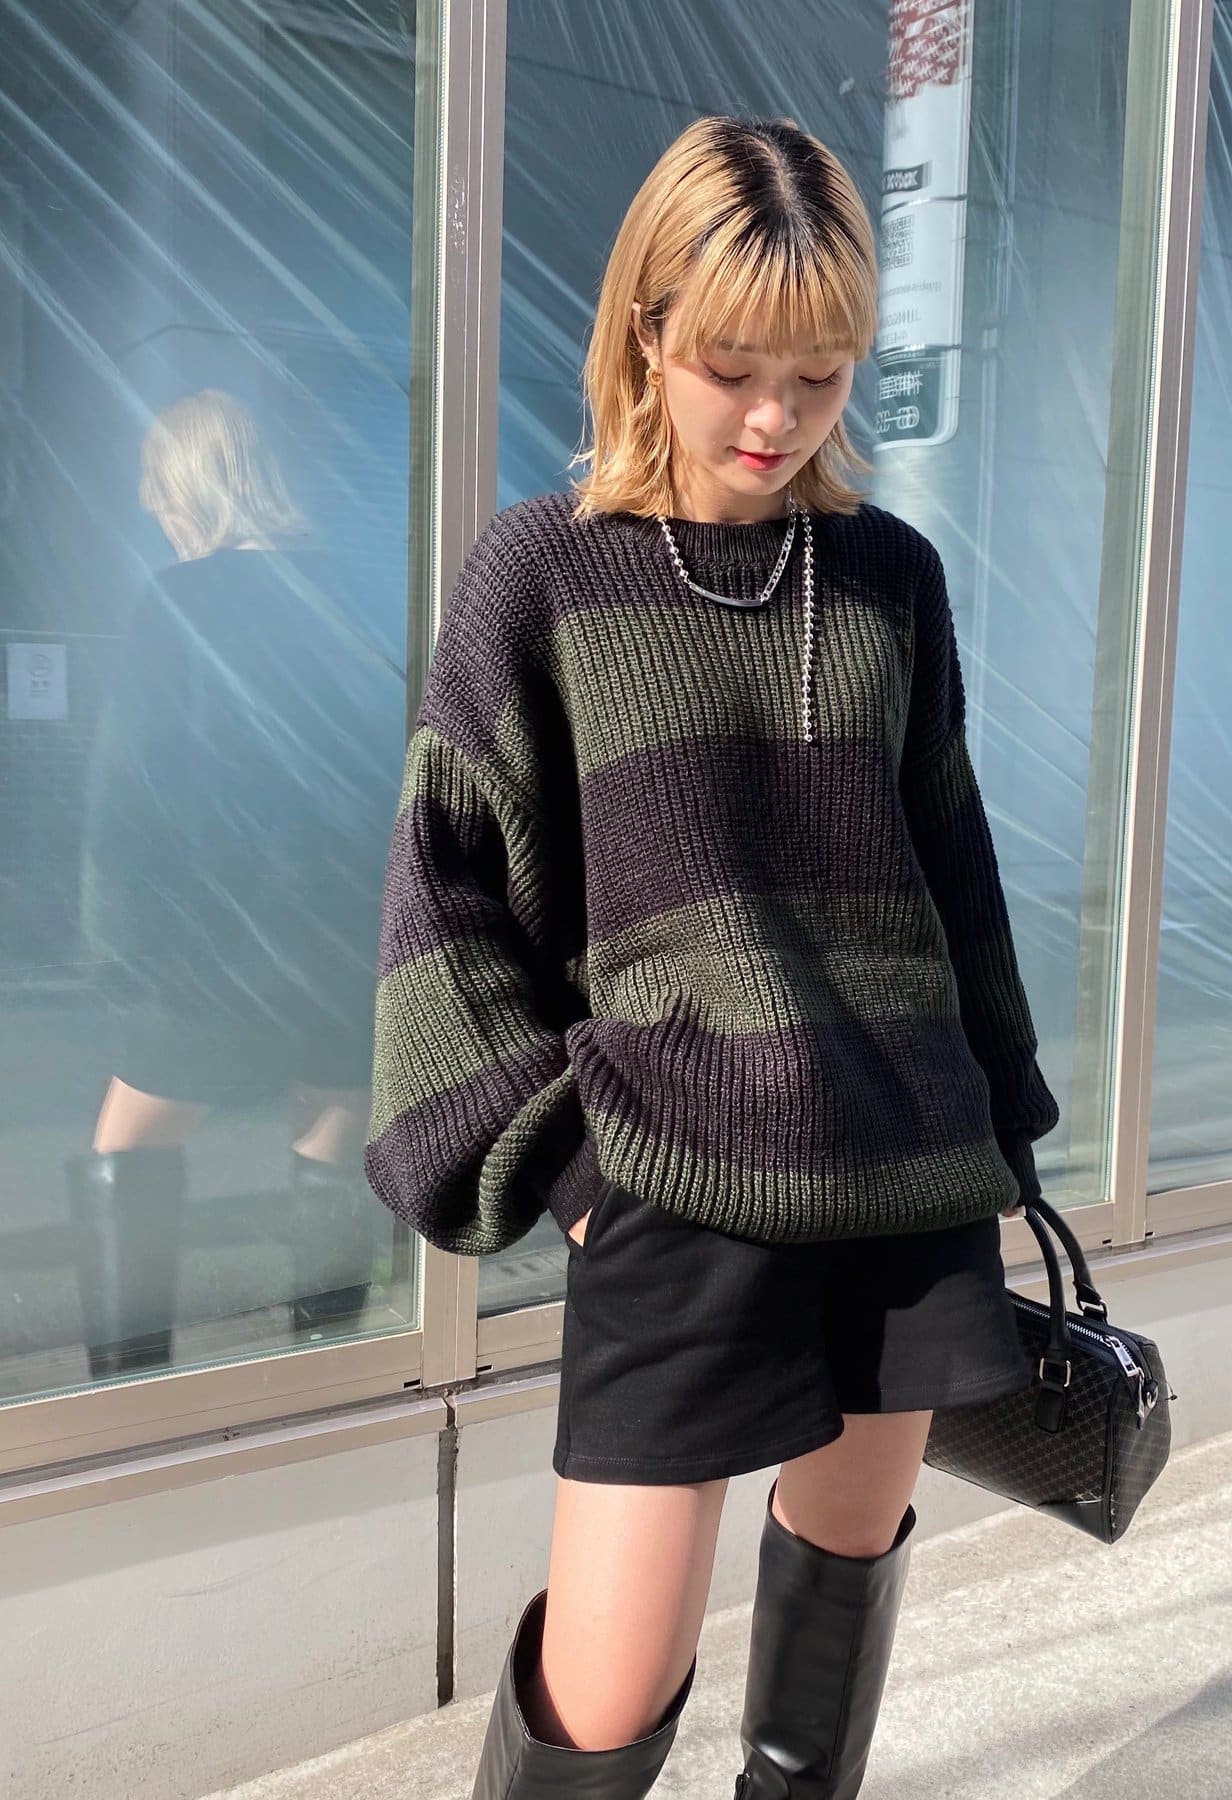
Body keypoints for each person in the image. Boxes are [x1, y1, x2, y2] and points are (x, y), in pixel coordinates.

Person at [364, 114, 1060, 1798]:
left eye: (819, 376)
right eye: (735, 367)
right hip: (673, 1181)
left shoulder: (889, 576)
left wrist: (1005, 1131)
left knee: (840, 1597)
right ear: (646, 333)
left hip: (900, 1169)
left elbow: (950, 867)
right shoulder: (544, 571)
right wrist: (575, 1167)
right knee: (604, 1696)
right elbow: (447, 888)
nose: (775, 417)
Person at [72, 389, 404, 1377]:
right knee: (331, 1139)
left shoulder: (178, 601)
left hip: (209, 946)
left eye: (159, 487)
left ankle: (129, 1385)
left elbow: (127, 794)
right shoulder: (358, 594)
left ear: (194, 485)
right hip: (339, 935)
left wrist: (114, 946)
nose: (153, 506)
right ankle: (326, 1373)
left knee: (127, 1147)